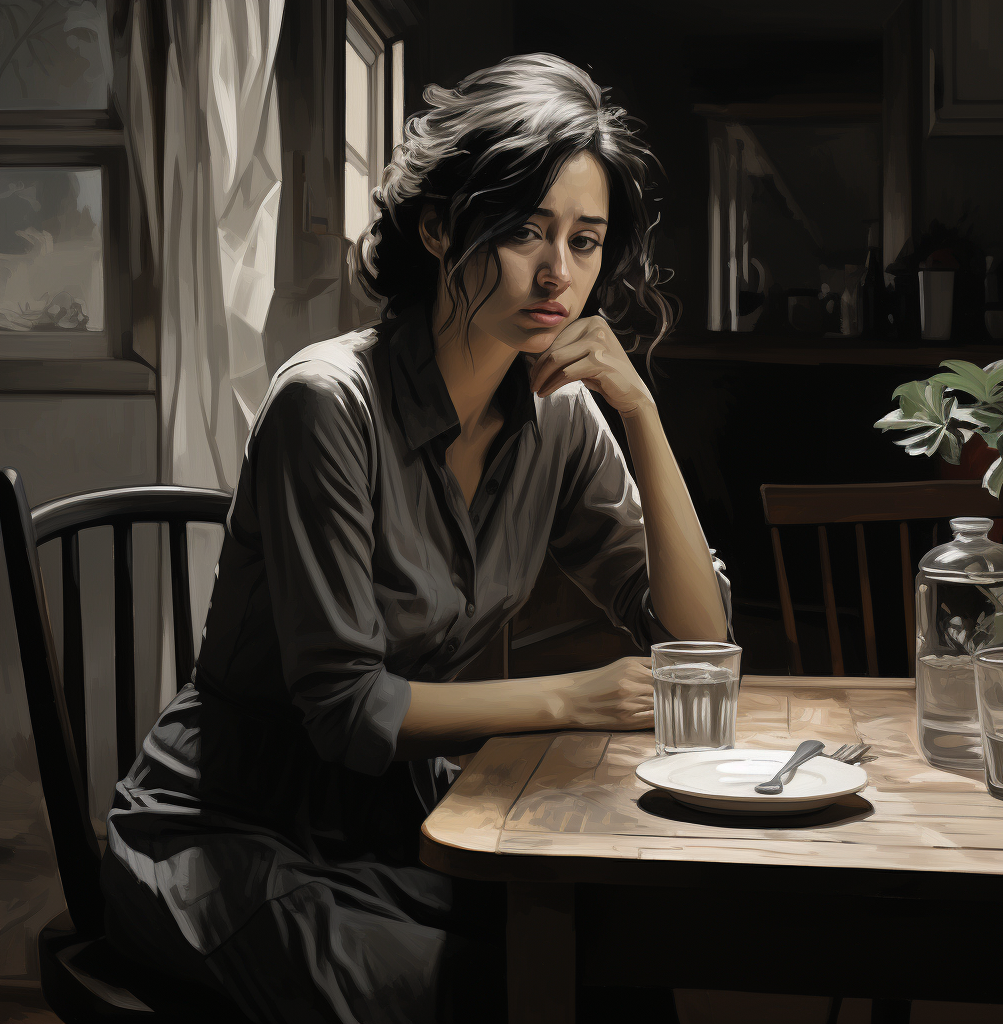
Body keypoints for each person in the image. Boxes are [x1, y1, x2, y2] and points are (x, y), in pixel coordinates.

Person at [100, 52, 733, 1024]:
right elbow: (346, 711)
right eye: (525, 229)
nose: (558, 272)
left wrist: (641, 413)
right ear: (439, 226)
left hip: (405, 824)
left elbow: (697, 641)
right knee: (476, 991)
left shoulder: (562, 413)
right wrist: (574, 697)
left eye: (585, 239)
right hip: (233, 834)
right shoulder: (327, 405)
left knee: (617, 962)